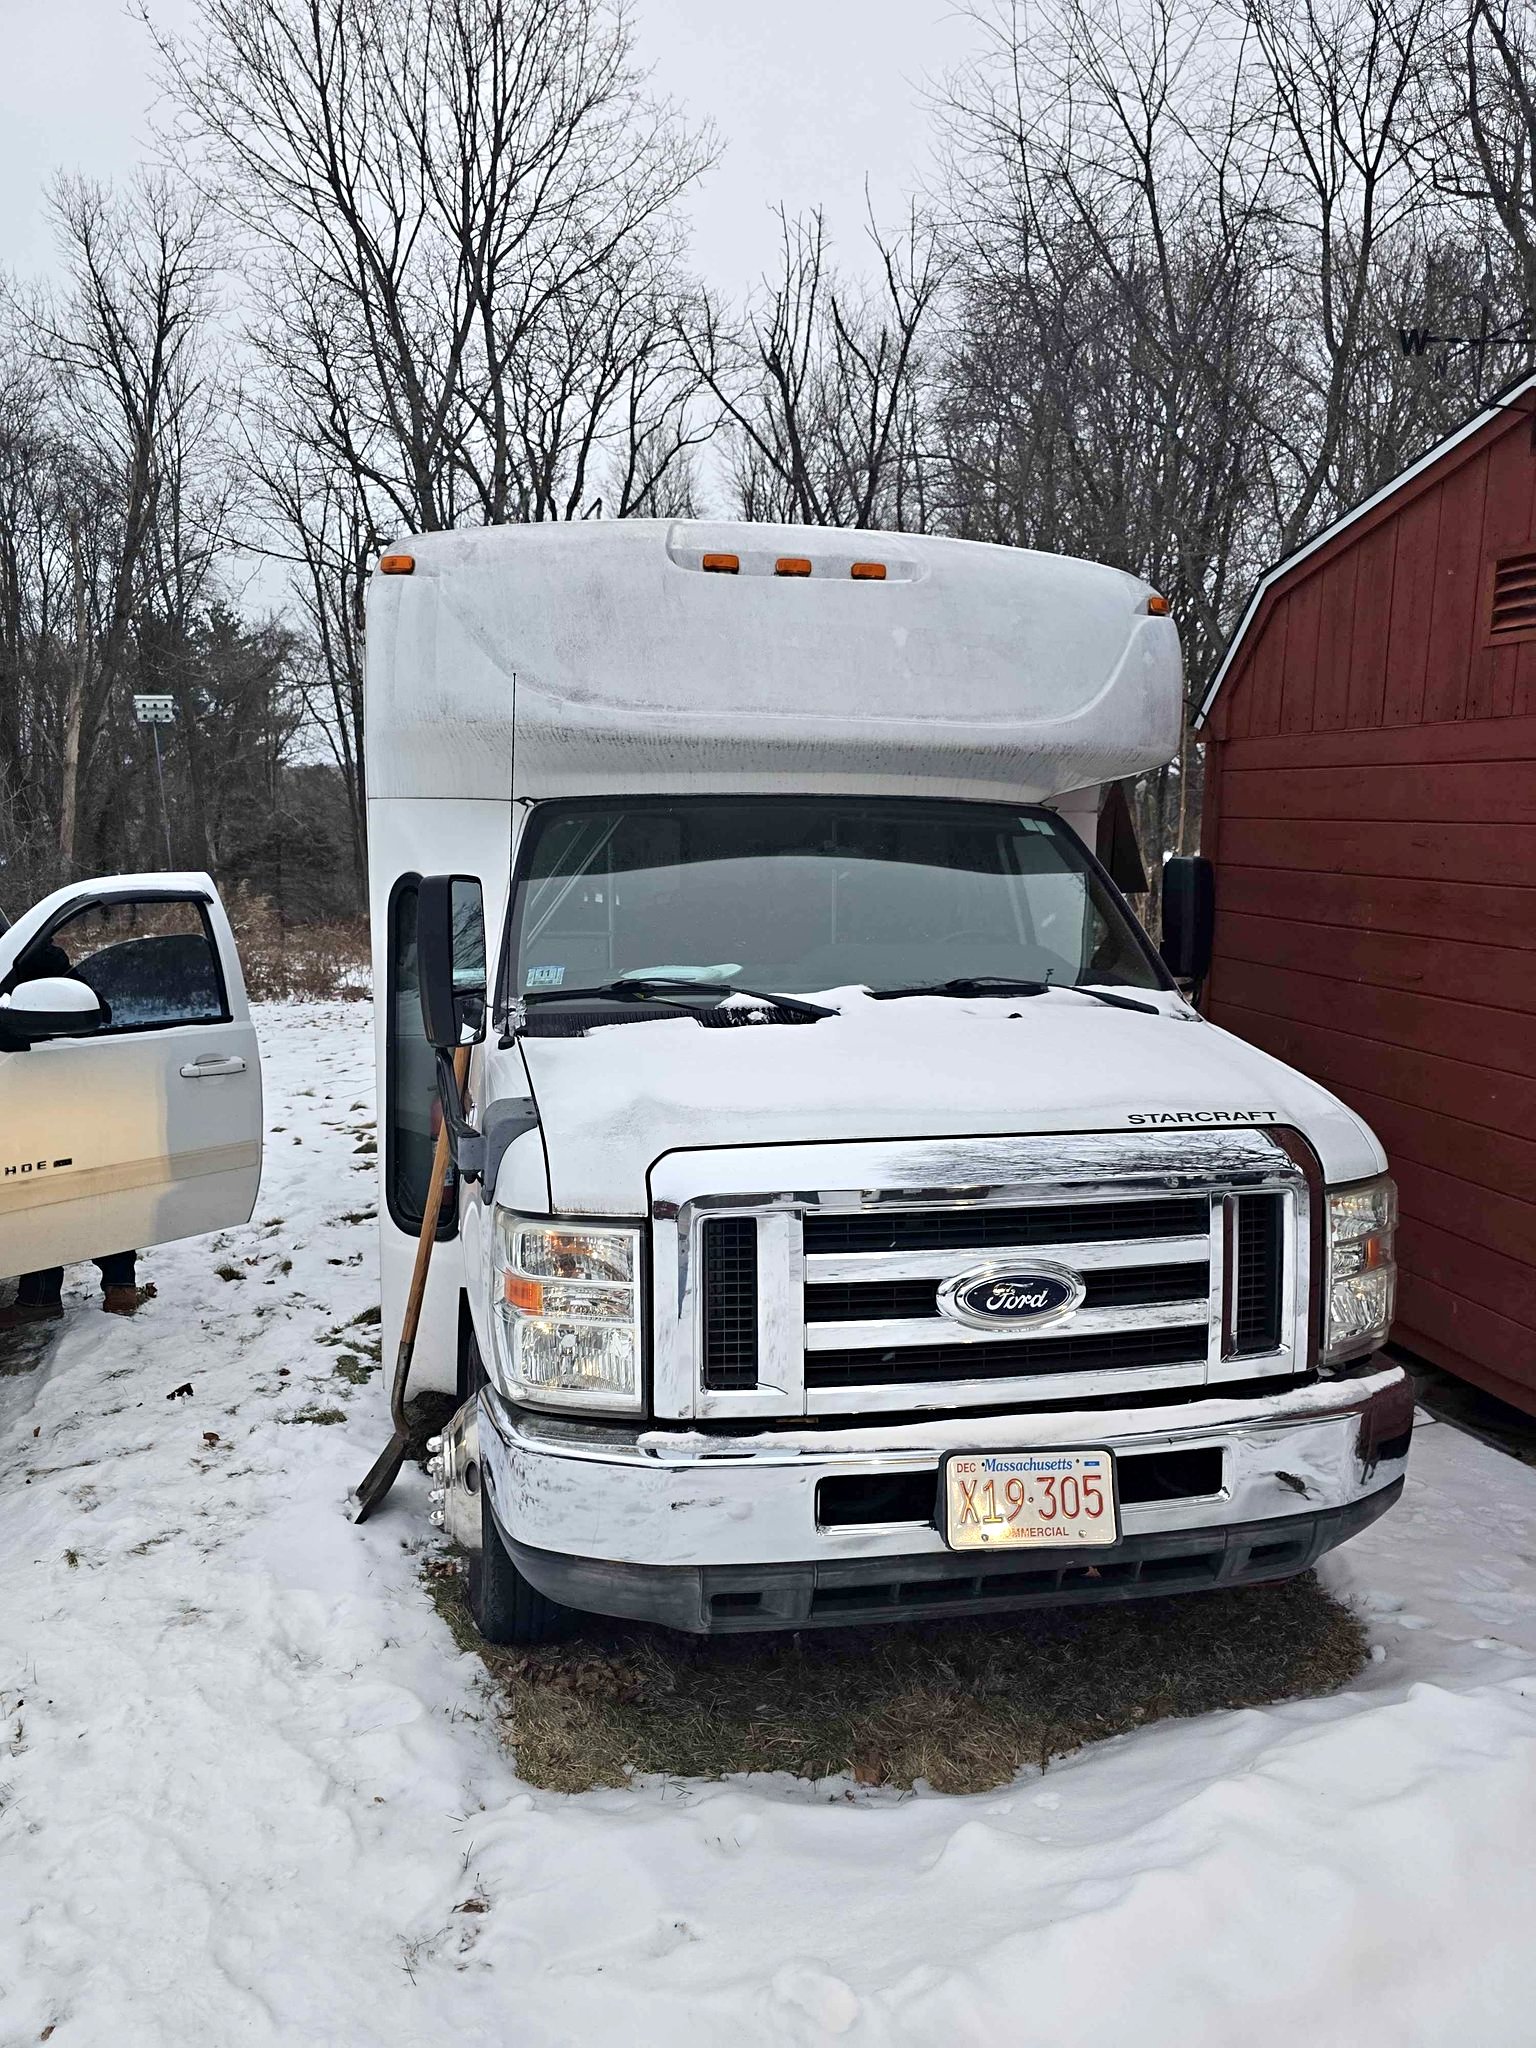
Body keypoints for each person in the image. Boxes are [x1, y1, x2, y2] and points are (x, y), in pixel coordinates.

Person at [0, 936, 154, 1330]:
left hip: (69, 1091)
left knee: (82, 1185)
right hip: (29, 1095)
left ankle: (114, 1286)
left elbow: (98, 1011)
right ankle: (44, 1296)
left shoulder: (34, 957)